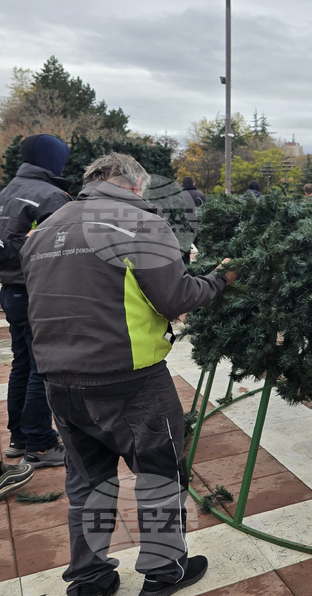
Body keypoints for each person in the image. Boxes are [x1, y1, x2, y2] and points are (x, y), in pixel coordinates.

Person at [21, 153, 237, 596]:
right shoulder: (139, 223)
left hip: (58, 379)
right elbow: (176, 297)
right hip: (130, 379)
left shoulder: (45, 228)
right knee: (159, 477)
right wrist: (220, 278)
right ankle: (165, 572)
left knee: (87, 484)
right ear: (136, 184)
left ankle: (90, 578)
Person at [0, 133, 72, 469]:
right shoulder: (50, 195)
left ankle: (19, 438)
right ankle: (40, 444)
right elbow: (62, 250)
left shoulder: (7, 192)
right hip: (37, 291)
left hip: (11, 291)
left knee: (23, 364)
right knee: (42, 367)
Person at [180, 177, 206, 265]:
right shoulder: (200, 195)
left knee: (185, 252)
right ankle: (203, 266)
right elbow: (206, 210)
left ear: (182, 184)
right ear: (193, 184)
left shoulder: (179, 195)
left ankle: (186, 268)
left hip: (183, 227)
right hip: (198, 225)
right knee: (202, 249)